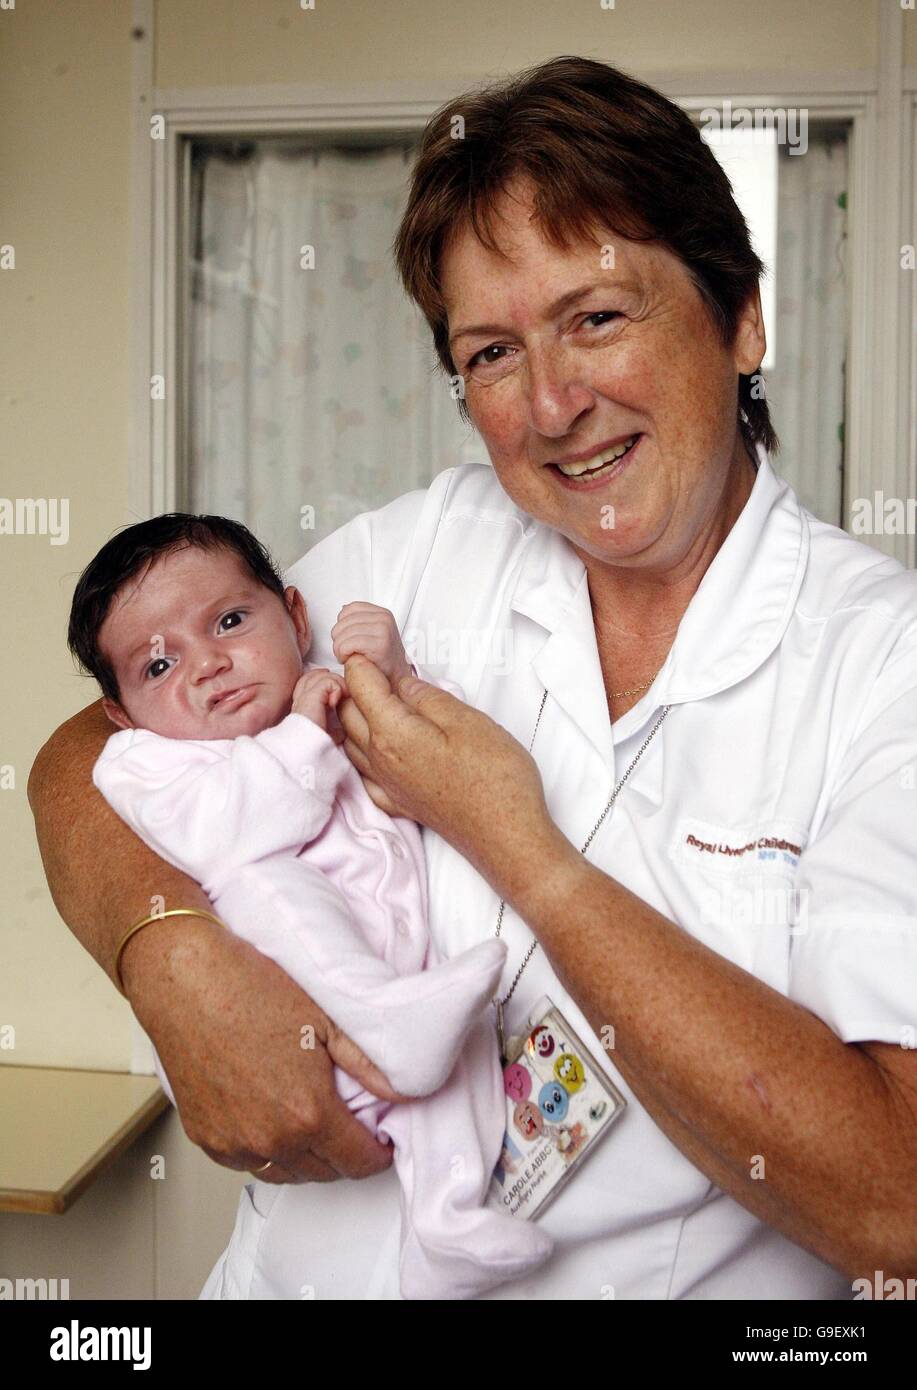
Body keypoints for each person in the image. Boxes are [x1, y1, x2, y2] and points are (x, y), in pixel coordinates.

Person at [30, 55, 917, 1300]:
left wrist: (520, 848)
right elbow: (88, 747)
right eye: (492, 352)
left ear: (740, 317)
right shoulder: (428, 544)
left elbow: (895, 1201)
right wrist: (166, 956)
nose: (553, 405)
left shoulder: (883, 664)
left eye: (596, 317)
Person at [67, 512, 553, 1299]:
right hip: (288, 1012)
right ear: (121, 713)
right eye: (158, 667)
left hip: (401, 993)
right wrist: (303, 734)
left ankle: (448, 1222)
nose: (208, 666)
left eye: (229, 621)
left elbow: (449, 763)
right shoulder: (145, 764)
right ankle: (392, 1023)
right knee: (263, 883)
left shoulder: (328, 689)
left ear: (294, 616)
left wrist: (395, 676)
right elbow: (239, 833)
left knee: (459, 1056)